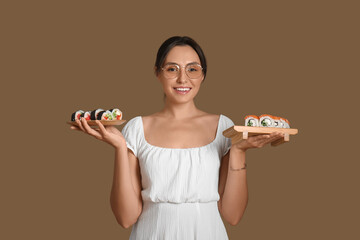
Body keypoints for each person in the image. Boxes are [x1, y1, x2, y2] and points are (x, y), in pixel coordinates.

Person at [70, 36, 284, 240]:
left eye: (192, 69)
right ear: (157, 73)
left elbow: (233, 215)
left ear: (203, 75)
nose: (183, 78)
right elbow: (126, 218)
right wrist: (119, 147)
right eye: (172, 69)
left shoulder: (224, 127)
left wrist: (239, 150)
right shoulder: (137, 127)